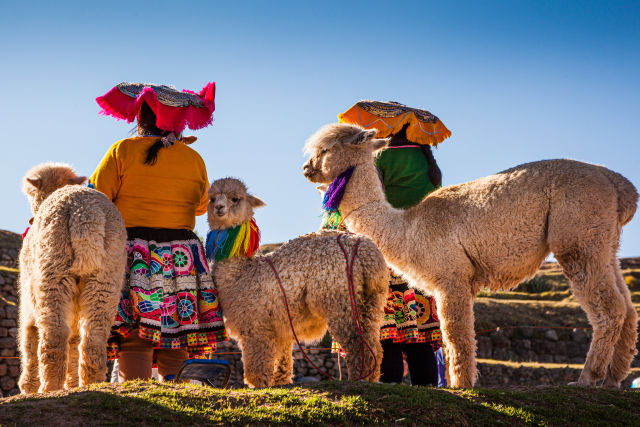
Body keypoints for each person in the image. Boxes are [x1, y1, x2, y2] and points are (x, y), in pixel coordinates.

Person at [90, 90, 227, 382]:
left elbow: (98, 197)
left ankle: (136, 399)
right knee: (176, 333)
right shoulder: (193, 158)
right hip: (183, 255)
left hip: (133, 252)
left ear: (140, 120)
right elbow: (201, 205)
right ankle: (176, 397)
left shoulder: (122, 150)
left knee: (136, 337)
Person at [374, 123, 443, 386]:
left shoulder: (379, 157)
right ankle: (427, 392)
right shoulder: (429, 164)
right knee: (421, 331)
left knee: (387, 329)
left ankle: (389, 387)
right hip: (424, 258)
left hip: (388, 252)